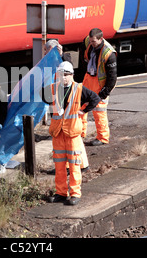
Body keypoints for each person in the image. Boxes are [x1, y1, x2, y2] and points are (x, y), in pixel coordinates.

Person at [42, 61, 100, 206]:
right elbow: (42, 94)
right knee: (59, 166)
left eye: (66, 75)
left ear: (72, 75)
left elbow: (95, 99)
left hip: (72, 134)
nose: (64, 77)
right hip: (58, 133)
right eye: (61, 75)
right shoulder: (53, 88)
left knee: (74, 165)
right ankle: (60, 193)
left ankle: (75, 193)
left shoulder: (79, 89)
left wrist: (83, 111)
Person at [79, 28, 117, 146]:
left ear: (101, 39)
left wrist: (104, 92)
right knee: (81, 106)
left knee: (99, 110)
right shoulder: (89, 43)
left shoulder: (109, 54)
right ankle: (80, 133)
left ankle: (102, 137)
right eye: (90, 41)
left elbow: (112, 77)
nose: (91, 44)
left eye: (94, 42)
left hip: (100, 84)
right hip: (89, 79)